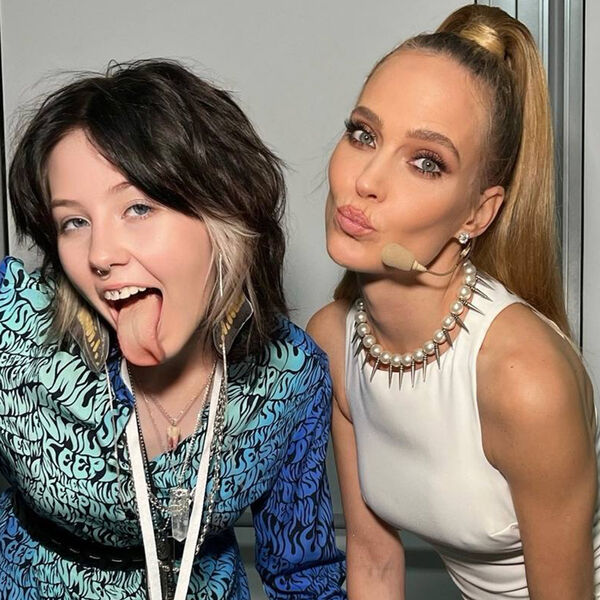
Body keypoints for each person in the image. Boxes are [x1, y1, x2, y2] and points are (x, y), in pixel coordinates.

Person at [0, 60, 346, 600]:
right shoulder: (15, 327)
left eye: (138, 208)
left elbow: (303, 573)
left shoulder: (290, 376)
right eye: (74, 222)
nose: (100, 255)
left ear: (224, 211)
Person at [308, 4, 598, 599]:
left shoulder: (522, 378)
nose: (366, 180)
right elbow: (374, 562)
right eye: (363, 134)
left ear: (477, 214)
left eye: (426, 162)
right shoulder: (333, 341)